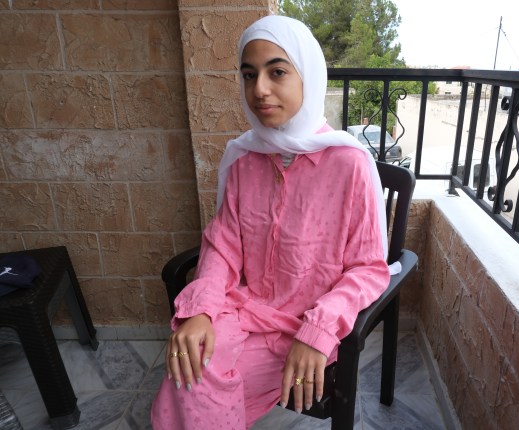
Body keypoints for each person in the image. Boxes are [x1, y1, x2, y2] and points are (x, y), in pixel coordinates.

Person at [151, 14, 393, 429]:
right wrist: (201, 310)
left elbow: (368, 269)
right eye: (249, 75)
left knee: (193, 385)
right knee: (189, 367)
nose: (259, 89)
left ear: (307, 76)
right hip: (243, 310)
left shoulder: (348, 163)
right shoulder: (245, 159)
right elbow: (223, 246)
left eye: (277, 72)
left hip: (305, 322)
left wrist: (317, 332)